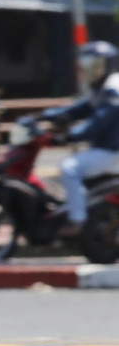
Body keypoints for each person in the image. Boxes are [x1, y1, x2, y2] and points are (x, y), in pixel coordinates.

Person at [46, 41, 119, 238]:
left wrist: (68, 136)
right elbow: (80, 109)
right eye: (86, 63)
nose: (88, 68)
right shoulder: (103, 87)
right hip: (106, 149)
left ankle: (77, 220)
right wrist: (45, 115)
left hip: (112, 152)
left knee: (69, 168)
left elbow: (97, 124)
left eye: (93, 63)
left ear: (106, 65)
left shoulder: (113, 89)